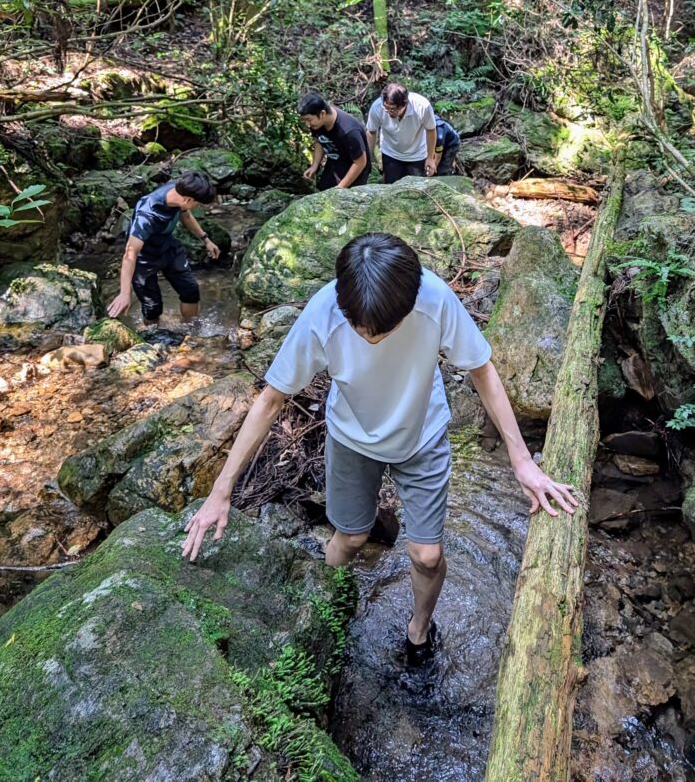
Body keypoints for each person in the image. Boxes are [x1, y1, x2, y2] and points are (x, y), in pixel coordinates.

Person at [181, 232, 577, 667]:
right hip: (351, 437)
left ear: (409, 305)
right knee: (348, 539)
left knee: (427, 555)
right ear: (343, 305)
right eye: (359, 329)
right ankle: (324, 607)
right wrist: (221, 491)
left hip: (421, 434)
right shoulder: (322, 314)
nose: (370, 338)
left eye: (382, 330)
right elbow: (270, 399)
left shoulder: (434, 298)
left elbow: (482, 369)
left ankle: (419, 630)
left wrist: (522, 461)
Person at [107, 171, 219, 325]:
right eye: (197, 204)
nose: (197, 207)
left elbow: (185, 215)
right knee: (152, 308)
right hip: (144, 258)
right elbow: (130, 254)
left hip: (168, 246)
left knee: (191, 291)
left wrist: (206, 239)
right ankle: (154, 340)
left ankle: (190, 329)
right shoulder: (147, 215)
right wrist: (125, 293)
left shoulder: (179, 191)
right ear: (187, 199)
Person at [298, 92, 371, 191]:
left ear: (322, 114)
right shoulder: (317, 124)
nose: (307, 124)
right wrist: (314, 165)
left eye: (309, 120)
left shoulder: (348, 131)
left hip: (354, 173)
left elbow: (360, 163)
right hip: (333, 165)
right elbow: (320, 141)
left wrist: (340, 188)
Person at [366, 83, 437, 183]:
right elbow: (371, 131)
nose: (389, 112)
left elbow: (431, 130)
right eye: (386, 107)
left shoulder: (422, 107)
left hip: (417, 154)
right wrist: (368, 158)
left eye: (393, 109)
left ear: (405, 104)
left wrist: (430, 158)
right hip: (390, 153)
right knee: (390, 188)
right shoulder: (377, 107)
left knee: (415, 190)